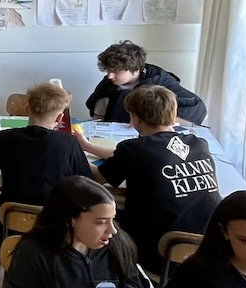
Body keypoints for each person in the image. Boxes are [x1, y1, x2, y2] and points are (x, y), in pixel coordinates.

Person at [78, 85, 221, 271]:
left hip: (160, 252)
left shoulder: (133, 149)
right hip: (208, 248)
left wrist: (74, 152)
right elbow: (147, 153)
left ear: (135, 118)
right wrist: (87, 146)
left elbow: (97, 177)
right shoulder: (199, 144)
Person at [4, 176, 150, 288]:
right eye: (101, 222)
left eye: (112, 219)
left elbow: (133, 278)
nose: (112, 230)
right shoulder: (34, 252)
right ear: (70, 220)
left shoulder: (117, 243)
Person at [0, 82, 92, 244]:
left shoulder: (5, 138)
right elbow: (86, 180)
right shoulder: (69, 143)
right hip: (55, 221)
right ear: (59, 118)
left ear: (27, 110)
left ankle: (13, 247)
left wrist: (4, 159)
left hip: (13, 215)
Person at [86, 40, 207, 125]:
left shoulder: (158, 80)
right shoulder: (108, 83)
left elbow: (197, 108)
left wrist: (154, 119)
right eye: (108, 70)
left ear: (135, 71)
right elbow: (97, 115)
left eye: (116, 72)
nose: (109, 76)